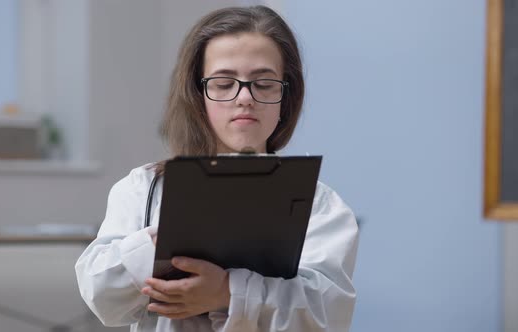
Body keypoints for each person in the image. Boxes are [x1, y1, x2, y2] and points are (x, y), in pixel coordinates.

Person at [75, 5, 358, 332]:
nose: (244, 98)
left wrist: (227, 292)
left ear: (286, 96)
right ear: (198, 94)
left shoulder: (320, 204)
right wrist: (163, 237)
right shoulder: (142, 189)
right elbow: (102, 298)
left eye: (263, 84)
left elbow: (329, 316)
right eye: (224, 83)